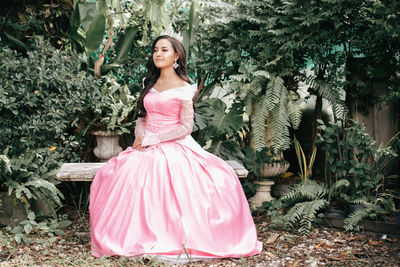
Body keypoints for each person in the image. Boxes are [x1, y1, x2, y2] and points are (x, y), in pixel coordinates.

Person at [89, 35, 262, 263]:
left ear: (176, 56)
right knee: (118, 173)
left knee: (199, 178)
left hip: (175, 143)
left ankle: (177, 235)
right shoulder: (148, 83)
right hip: (146, 142)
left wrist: (155, 140)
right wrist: (140, 137)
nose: (158, 54)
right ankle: (131, 235)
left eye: (164, 50)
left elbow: (185, 127)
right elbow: (142, 117)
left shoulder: (184, 88)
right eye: (155, 50)